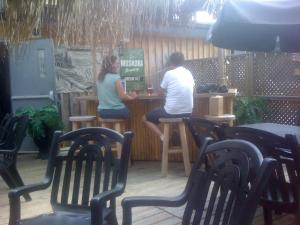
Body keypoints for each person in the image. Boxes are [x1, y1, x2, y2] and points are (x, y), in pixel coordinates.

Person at [142, 52, 195, 141]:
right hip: (188, 113)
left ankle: (163, 137)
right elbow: (193, 88)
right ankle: (175, 132)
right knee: (174, 111)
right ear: (183, 62)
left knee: (144, 118)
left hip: (171, 112)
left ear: (171, 62)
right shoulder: (188, 73)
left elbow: (160, 91)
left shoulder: (169, 73)